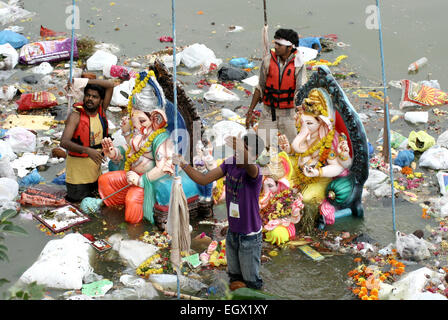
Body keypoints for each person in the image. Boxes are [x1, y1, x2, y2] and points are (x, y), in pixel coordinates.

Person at [173, 132, 265, 290]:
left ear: (255, 156)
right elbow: (203, 179)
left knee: (251, 282)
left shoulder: (254, 172)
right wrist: (183, 164)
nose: (238, 152)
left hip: (249, 237)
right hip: (233, 233)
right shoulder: (230, 163)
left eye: (245, 149)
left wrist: (240, 148)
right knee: (234, 276)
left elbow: (249, 164)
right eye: (238, 149)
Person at [245, 28, 307, 152]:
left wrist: (302, 111)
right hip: (269, 112)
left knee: (294, 148)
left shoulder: (299, 63)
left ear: (289, 48)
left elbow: (301, 90)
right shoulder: (267, 60)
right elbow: (260, 87)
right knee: (261, 149)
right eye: (275, 43)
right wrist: (250, 111)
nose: (276, 47)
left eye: (280, 44)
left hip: (289, 113)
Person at [61, 78, 115, 202]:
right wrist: (87, 150)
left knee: (96, 207)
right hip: (77, 179)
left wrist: (82, 82)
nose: (90, 99)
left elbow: (110, 85)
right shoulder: (76, 116)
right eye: (88, 95)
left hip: (95, 174)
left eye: (94, 97)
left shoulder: (102, 111)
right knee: (79, 208)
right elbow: (63, 142)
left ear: (101, 100)